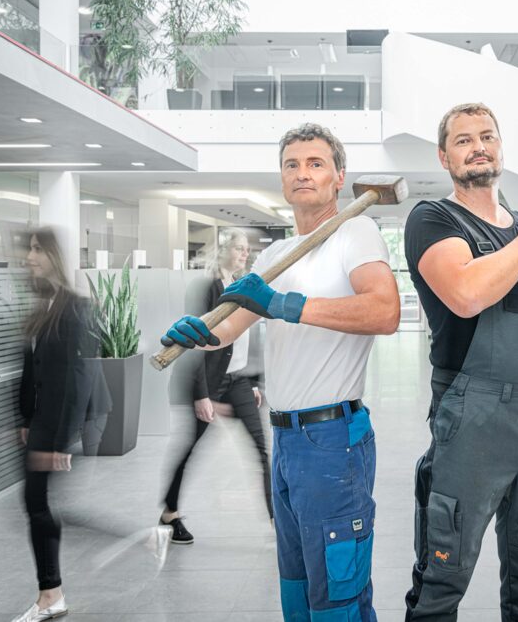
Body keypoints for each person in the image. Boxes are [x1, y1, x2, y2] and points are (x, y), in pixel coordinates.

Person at [160, 123, 400, 621]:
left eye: (315, 163)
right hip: (286, 443)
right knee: (297, 589)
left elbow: (384, 312)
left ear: (339, 176)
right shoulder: (273, 256)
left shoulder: (355, 233)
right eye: (291, 165)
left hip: (333, 440)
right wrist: (199, 333)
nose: (302, 173)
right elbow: (231, 327)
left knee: (338, 597)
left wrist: (287, 304)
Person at [403, 102, 518, 621]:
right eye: (463, 140)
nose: (478, 146)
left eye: (487, 136)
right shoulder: (434, 219)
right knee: (442, 577)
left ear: (501, 148)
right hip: (472, 419)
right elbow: (466, 294)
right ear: (444, 156)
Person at [159, 228, 273, 544]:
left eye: (246, 249)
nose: (243, 253)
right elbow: (193, 342)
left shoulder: (241, 286)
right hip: (209, 384)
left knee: (262, 450)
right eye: (238, 248)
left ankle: (278, 520)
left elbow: (243, 338)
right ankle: (169, 511)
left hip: (237, 381)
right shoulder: (209, 287)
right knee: (190, 449)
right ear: (222, 250)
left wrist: (251, 380)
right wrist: (203, 394)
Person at [13, 227, 100, 622]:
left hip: (57, 426)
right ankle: (51, 591)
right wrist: (26, 418)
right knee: (36, 503)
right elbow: (32, 368)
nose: (29, 256)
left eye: (36, 250)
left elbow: (76, 378)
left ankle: (51, 593)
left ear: (54, 255)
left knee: (37, 503)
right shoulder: (42, 303)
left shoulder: (74, 307)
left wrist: (61, 443)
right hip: (41, 420)